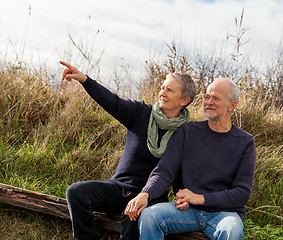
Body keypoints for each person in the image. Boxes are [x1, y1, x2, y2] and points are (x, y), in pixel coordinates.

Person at [59, 61, 197, 240]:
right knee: (76, 192)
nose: (162, 93)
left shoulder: (186, 134)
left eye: (170, 90)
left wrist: (184, 198)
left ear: (184, 100)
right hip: (118, 188)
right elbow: (112, 102)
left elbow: (182, 173)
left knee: (131, 215)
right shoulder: (140, 113)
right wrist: (85, 80)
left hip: (151, 197)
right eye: (162, 87)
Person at [125, 78, 256, 240]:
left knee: (232, 231)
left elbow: (242, 193)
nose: (209, 102)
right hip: (184, 211)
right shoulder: (188, 132)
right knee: (150, 216)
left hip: (223, 215)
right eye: (207, 97)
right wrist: (145, 194)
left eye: (216, 98)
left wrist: (200, 199)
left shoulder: (244, 142)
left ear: (232, 105)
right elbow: (164, 171)